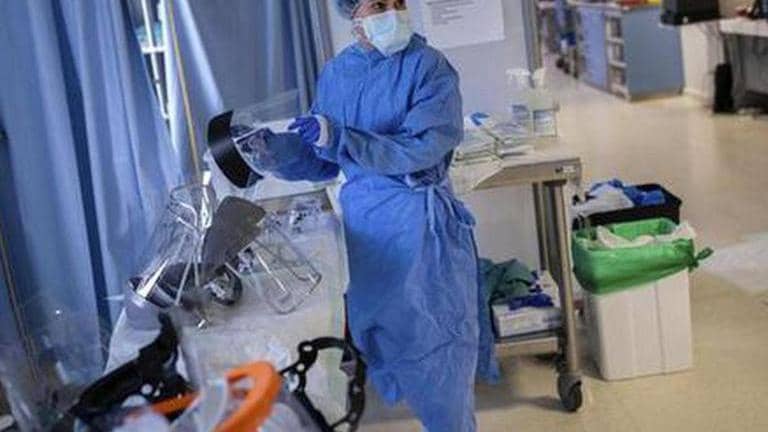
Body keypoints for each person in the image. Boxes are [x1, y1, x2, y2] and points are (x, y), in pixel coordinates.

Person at [264, 1, 499, 430]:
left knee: (437, 347)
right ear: (353, 15)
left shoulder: (428, 67)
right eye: (378, 4)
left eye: (397, 2)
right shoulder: (337, 74)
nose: (392, 11)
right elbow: (325, 160)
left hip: (419, 224)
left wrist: (342, 138)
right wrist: (275, 152)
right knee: (382, 338)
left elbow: (422, 148)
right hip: (367, 229)